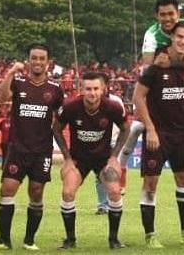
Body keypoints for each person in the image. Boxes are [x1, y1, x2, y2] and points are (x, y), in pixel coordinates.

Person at [118, 0, 184, 193]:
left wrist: (171, 64)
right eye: (163, 15)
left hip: (182, 84)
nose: (168, 18)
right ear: (157, 16)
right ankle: (121, 167)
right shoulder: (152, 35)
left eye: (171, 13)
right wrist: (158, 66)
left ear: (178, 13)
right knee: (137, 127)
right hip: (156, 89)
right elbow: (147, 69)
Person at [133, 20, 184, 248]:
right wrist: (151, 129)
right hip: (158, 135)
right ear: (172, 37)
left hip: (180, 135)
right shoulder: (157, 65)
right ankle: (150, 236)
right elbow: (138, 97)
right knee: (151, 183)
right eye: (180, 37)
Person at [0, 44, 64, 251]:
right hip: (18, 149)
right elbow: (0, 99)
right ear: (28, 61)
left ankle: (29, 240)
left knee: (36, 192)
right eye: (33, 58)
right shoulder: (18, 82)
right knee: (7, 189)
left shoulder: (55, 88)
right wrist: (9, 72)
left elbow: (61, 117)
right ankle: (3, 239)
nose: (37, 62)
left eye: (41, 58)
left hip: (42, 150)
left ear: (48, 62)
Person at [52, 71, 130, 249]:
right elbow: (56, 129)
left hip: (103, 158)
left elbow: (126, 128)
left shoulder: (112, 107)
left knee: (115, 191)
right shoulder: (71, 106)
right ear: (82, 89)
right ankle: (70, 240)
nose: (92, 93)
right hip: (79, 159)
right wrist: (68, 159)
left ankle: (114, 240)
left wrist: (113, 157)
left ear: (103, 89)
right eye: (88, 89)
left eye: (96, 88)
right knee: (67, 192)